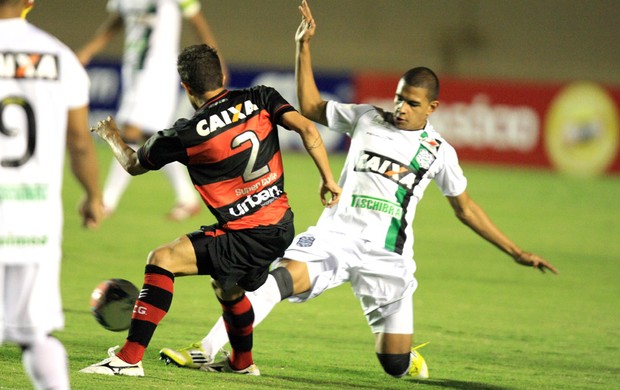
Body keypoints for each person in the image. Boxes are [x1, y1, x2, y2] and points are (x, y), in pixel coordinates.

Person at [158, 0, 559, 380]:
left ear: (431, 108)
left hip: (388, 256)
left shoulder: (439, 153)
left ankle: (405, 355)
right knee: (275, 280)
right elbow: (312, 107)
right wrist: (303, 47)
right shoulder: (369, 117)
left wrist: (516, 252)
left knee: (394, 365)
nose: (401, 107)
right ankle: (207, 348)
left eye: (412, 103)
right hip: (335, 237)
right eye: (399, 97)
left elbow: (466, 209)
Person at [79, 43, 341, 377]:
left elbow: (132, 164)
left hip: (246, 233)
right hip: (281, 225)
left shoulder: (184, 134)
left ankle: (128, 360)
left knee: (162, 259)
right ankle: (242, 363)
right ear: (222, 74)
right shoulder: (261, 97)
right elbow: (307, 128)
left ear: (186, 87)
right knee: (227, 287)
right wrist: (328, 180)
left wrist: (111, 134)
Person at [0, 1, 104, 389]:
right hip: (33, 217)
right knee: (34, 334)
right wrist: (93, 195)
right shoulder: (59, 57)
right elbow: (79, 142)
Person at [77, 0, 229, 221]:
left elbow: (197, 21)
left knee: (131, 130)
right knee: (153, 136)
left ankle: (106, 201)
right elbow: (115, 23)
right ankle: (187, 197)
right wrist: (88, 50)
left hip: (159, 68)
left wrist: (216, 61)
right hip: (133, 68)